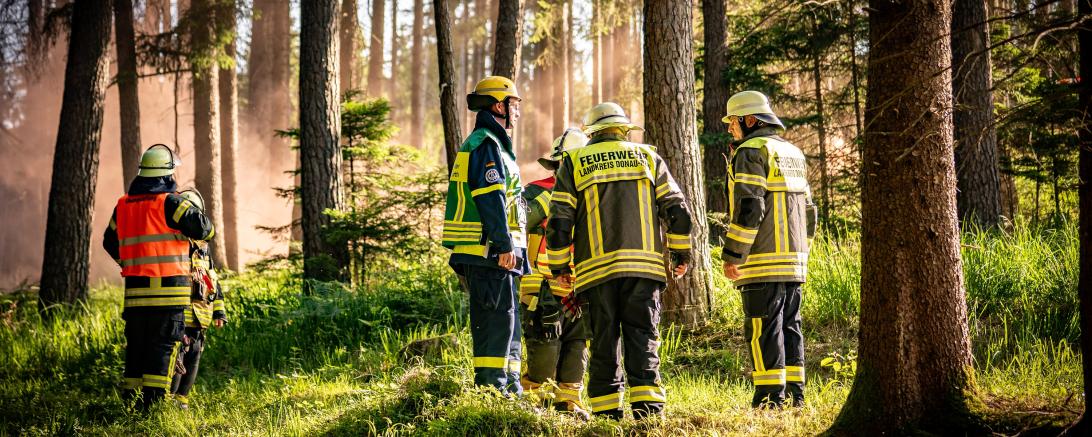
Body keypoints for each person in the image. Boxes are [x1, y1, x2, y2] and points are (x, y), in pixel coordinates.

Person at [545, 102, 693, 420]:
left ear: (592, 133)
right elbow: (678, 211)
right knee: (643, 337)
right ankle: (648, 412)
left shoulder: (574, 162)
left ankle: (607, 415)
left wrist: (559, 268)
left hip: (595, 272)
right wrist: (680, 254)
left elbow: (559, 222)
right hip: (644, 269)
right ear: (624, 129)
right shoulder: (648, 157)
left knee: (603, 342)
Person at [720, 90, 817, 408]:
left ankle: (769, 398)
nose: (730, 128)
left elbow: (750, 206)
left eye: (733, 122)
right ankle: (795, 395)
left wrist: (734, 254)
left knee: (763, 327)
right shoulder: (793, 152)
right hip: (794, 261)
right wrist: (803, 252)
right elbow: (810, 211)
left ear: (750, 120)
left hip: (762, 259)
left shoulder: (750, 151)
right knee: (791, 326)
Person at [103, 144, 215, 410]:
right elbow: (205, 230)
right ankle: (153, 410)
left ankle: (131, 406)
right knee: (162, 349)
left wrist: (130, 262)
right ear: (167, 174)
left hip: (135, 296)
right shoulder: (171, 203)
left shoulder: (122, 205)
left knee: (137, 350)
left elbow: (109, 242)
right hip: (168, 296)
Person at [440, 76, 529, 395]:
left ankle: (510, 389)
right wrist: (503, 245)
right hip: (488, 252)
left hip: (499, 254)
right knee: (495, 322)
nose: (517, 110)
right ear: (498, 106)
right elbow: (490, 198)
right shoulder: (485, 144)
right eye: (513, 104)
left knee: (508, 322)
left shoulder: (496, 145)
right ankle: (491, 391)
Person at [518, 128, 590, 419]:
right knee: (544, 350)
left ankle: (569, 405)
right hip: (542, 288)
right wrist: (551, 198)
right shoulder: (538, 191)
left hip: (581, 285)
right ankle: (532, 410)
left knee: (577, 346)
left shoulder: (593, 193)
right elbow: (518, 221)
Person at [169, 188, 228, 409]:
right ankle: (167, 403)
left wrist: (219, 311)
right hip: (180, 315)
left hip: (200, 318)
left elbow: (213, 281)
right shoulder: (174, 245)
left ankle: (182, 402)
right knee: (177, 360)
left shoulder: (203, 249)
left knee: (194, 358)